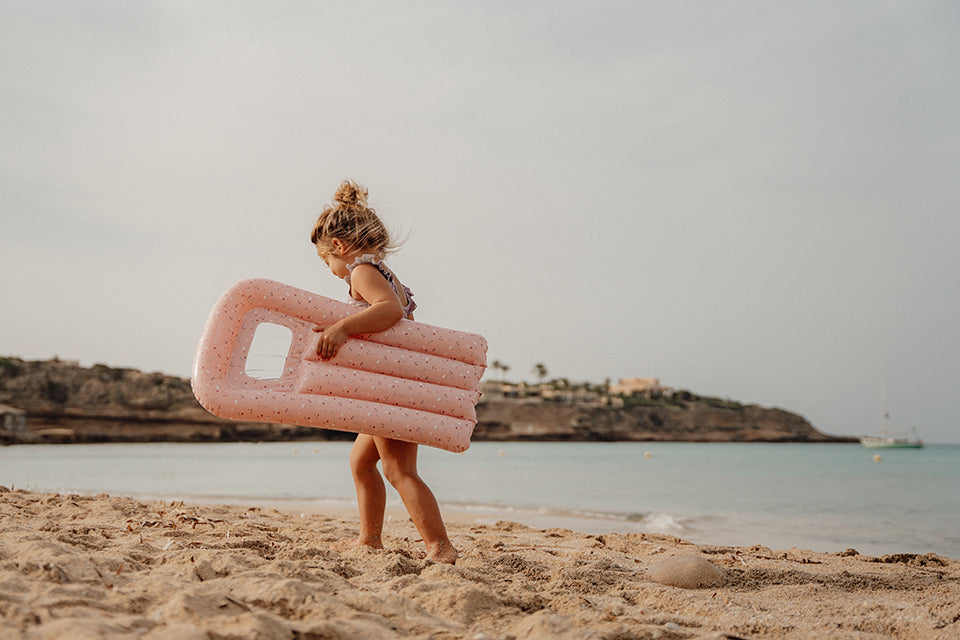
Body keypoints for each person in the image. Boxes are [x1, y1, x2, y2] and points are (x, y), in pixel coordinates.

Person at [309, 180, 458, 564]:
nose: (332, 271)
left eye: (327, 263)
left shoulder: (361, 272)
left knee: (398, 469)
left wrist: (342, 328)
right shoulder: (384, 270)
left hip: (393, 388)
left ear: (339, 248)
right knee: (361, 462)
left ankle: (439, 546)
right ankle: (370, 539)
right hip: (394, 384)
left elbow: (389, 312)